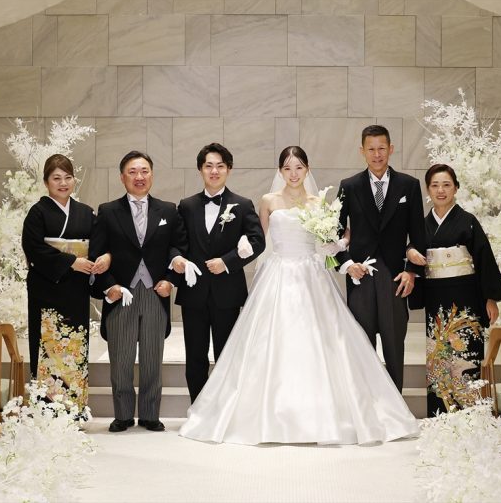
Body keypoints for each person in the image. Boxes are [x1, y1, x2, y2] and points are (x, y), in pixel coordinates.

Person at [179, 146, 419, 445]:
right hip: (278, 274)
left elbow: (329, 243)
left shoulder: (318, 203)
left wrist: (340, 247)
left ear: (307, 169)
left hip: (312, 274)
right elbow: (259, 241)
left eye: (299, 168)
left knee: (324, 341)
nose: (293, 174)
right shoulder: (268, 201)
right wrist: (241, 248)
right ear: (280, 171)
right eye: (288, 168)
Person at [89, 151, 187, 433]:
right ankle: (122, 414)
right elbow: (97, 253)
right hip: (122, 293)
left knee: (152, 357)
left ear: (152, 175)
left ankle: (149, 414)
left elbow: (178, 248)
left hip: (155, 292)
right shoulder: (108, 211)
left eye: (144, 171)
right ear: (122, 177)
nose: (139, 177)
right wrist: (109, 286)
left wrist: (171, 280)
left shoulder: (168, 210)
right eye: (132, 172)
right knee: (120, 358)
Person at [406, 163, 501, 416]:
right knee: (438, 356)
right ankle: (441, 418)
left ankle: (469, 417)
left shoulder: (468, 221)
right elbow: (411, 249)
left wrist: (490, 298)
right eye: (435, 185)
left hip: (467, 298)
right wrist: (410, 252)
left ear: (456, 188)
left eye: (446, 185)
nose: (440, 190)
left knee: (467, 353)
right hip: (436, 298)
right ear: (428, 190)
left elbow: (484, 259)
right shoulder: (422, 225)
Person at [172, 143, 265, 402]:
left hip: (227, 293)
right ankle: (197, 408)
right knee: (195, 356)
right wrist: (177, 259)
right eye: (209, 166)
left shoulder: (242, 205)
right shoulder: (187, 205)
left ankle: (222, 409)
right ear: (200, 170)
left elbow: (258, 242)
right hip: (194, 293)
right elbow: (177, 243)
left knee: (226, 355)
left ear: (229, 169)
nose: (214, 171)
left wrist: (226, 262)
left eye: (220, 166)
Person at [336, 125, 426, 393]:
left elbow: (418, 235)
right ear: (362, 151)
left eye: (382, 148)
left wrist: (411, 271)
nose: (377, 154)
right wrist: (347, 264)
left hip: (394, 275)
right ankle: (365, 400)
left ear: (391, 149)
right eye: (371, 149)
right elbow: (334, 233)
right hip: (361, 275)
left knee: (394, 341)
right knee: (361, 342)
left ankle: (395, 403)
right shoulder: (349, 186)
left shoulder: (409, 185)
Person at [22, 154, 110, 409]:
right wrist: (71, 262)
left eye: (68, 177)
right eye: (56, 178)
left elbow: (99, 244)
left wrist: (103, 258)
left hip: (76, 291)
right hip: (46, 291)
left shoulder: (85, 213)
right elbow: (34, 249)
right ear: (46, 182)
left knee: (74, 346)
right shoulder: (37, 213)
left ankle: (74, 409)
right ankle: (47, 411)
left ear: (74, 180)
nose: (63, 183)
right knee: (47, 348)